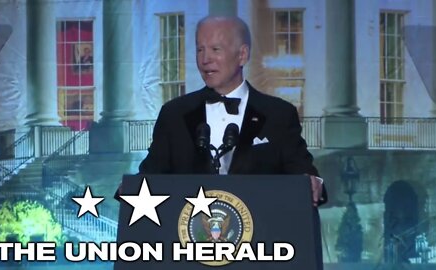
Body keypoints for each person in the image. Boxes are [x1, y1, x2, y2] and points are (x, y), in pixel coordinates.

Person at [118, 15, 326, 267]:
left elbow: (302, 171)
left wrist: (313, 183)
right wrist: (130, 193)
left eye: (215, 49)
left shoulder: (278, 114)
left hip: (258, 255)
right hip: (189, 255)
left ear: (242, 55)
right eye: (199, 49)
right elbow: (151, 176)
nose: (205, 59)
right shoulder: (174, 114)